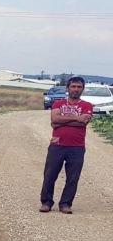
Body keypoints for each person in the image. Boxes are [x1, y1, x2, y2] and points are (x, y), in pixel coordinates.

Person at [39, 76, 92, 214]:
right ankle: (46, 202)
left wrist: (61, 121)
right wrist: (76, 118)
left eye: (79, 87)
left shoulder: (87, 106)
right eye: (73, 86)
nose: (76, 89)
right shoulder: (58, 103)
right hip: (57, 144)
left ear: (83, 89)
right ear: (68, 88)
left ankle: (65, 203)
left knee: (73, 177)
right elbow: (54, 119)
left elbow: (83, 122)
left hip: (77, 146)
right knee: (50, 174)